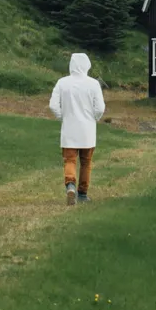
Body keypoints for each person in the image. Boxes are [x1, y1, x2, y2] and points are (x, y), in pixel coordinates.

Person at [49, 52, 105, 205]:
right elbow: (100, 107)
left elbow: (53, 105)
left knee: (70, 160)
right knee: (86, 162)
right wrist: (94, 118)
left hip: (69, 129)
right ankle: (82, 194)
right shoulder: (93, 84)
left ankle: (70, 185)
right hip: (87, 131)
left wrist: (63, 117)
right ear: (87, 65)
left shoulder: (62, 83)